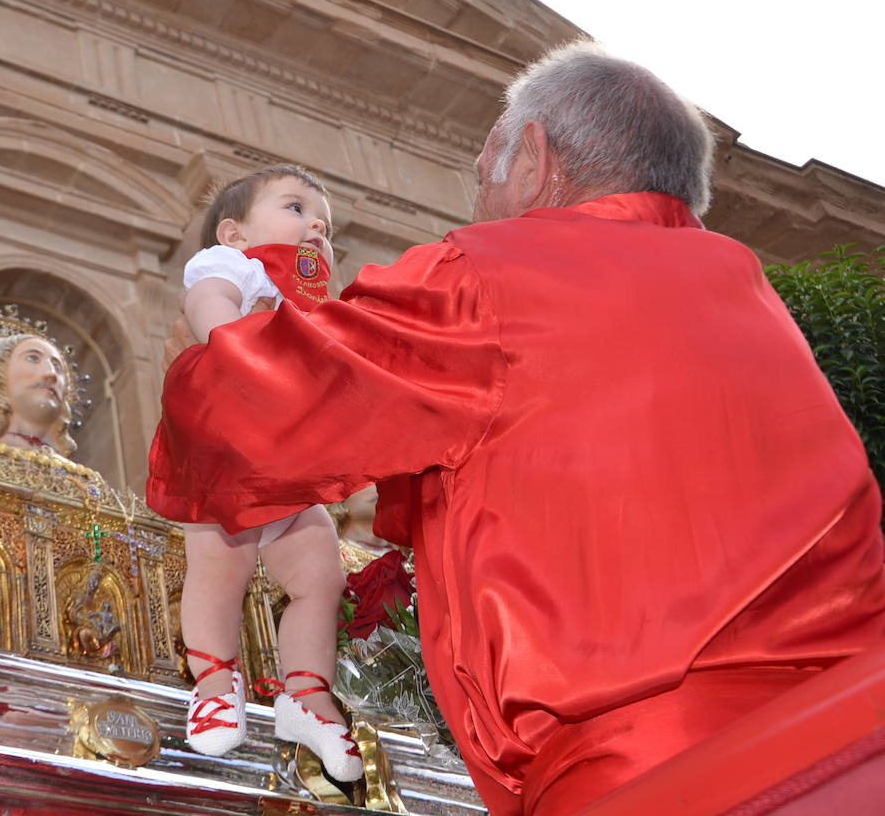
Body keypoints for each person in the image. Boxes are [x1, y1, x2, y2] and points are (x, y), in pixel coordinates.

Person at [147, 42, 885, 815]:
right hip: (847, 748)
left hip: (653, 769)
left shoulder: (491, 278)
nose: (475, 210)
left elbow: (248, 410)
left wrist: (206, 351)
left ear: (533, 159)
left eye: (481, 177)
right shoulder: (752, 295)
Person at [150, 165, 363, 782]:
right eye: (296, 207)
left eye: (325, 218)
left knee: (320, 576)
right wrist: (230, 338)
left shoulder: (312, 289)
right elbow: (208, 305)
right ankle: (215, 682)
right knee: (220, 567)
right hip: (225, 450)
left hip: (288, 462)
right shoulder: (236, 268)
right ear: (234, 234)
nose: (316, 222)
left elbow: (341, 336)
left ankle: (307, 696)